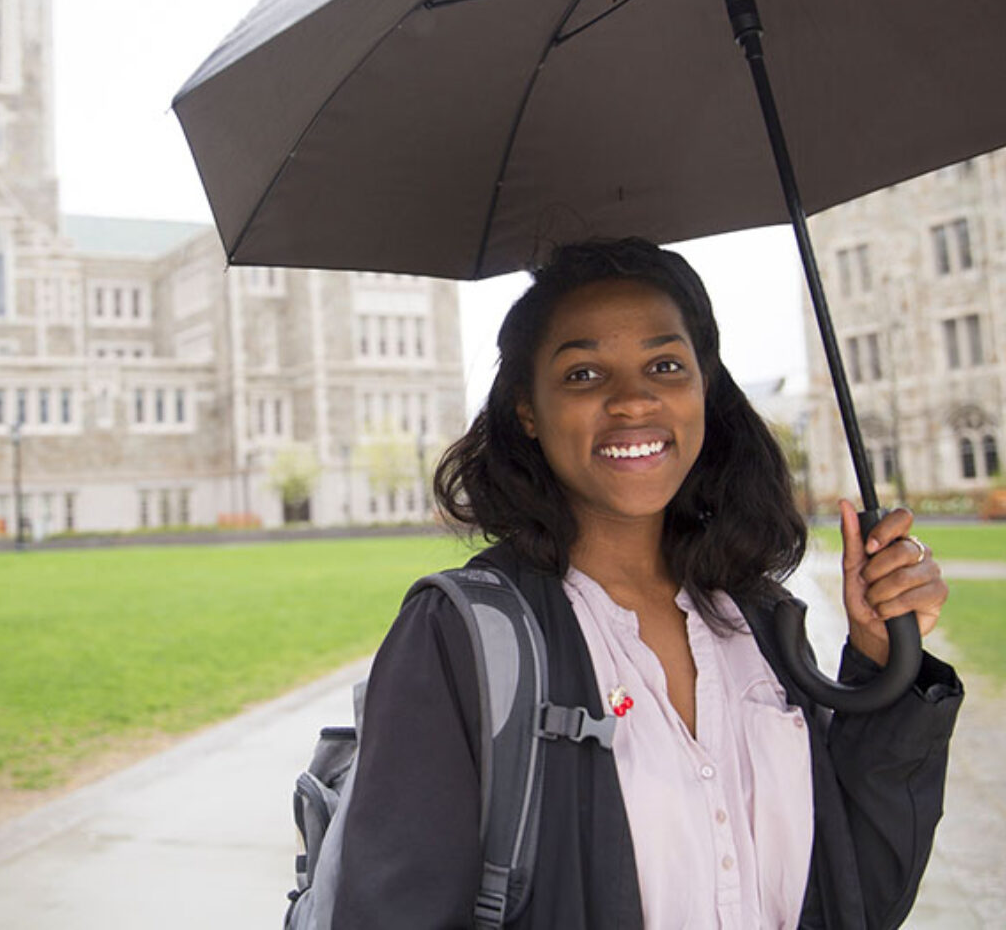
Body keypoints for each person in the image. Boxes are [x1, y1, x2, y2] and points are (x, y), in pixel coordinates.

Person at [332, 239, 960, 930]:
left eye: (665, 365)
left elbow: (856, 899)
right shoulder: (457, 638)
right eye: (583, 373)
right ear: (527, 411)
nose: (633, 400)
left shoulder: (760, 621)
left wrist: (879, 659)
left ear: (705, 388)